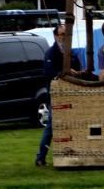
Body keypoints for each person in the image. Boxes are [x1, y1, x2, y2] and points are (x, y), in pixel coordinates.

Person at [35, 23, 82, 167]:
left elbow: (78, 69)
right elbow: (48, 72)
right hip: (56, 95)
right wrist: (65, 73)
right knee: (52, 125)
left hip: (71, 94)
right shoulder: (50, 53)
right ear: (56, 36)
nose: (63, 38)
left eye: (66, 35)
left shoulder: (72, 53)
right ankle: (41, 156)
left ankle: (73, 153)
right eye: (61, 35)